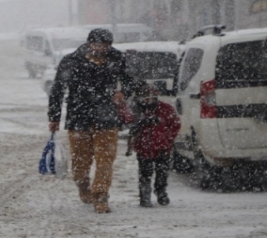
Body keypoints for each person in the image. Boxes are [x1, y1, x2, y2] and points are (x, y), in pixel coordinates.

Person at [48, 28, 134, 213]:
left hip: (107, 116)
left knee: (105, 159)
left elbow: (130, 81)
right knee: (80, 161)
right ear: (89, 43)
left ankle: (101, 196)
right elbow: (57, 90)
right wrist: (54, 117)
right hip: (79, 116)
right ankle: (82, 184)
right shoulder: (71, 61)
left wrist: (123, 92)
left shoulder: (117, 58)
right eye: (98, 44)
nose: (102, 49)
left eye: (106, 45)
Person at [125, 85, 180, 207]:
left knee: (162, 172)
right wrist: (141, 121)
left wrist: (167, 139)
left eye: (151, 98)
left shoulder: (166, 109)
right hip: (143, 148)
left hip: (163, 148)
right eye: (144, 98)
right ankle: (145, 195)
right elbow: (130, 124)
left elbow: (175, 125)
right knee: (145, 173)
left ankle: (161, 191)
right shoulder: (137, 111)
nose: (147, 101)